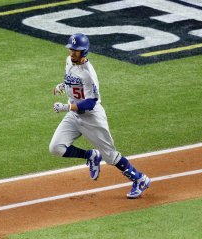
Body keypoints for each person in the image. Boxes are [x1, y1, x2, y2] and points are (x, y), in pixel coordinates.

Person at [49, 33, 151, 199]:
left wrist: (66, 107)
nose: (72, 52)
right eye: (71, 49)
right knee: (56, 148)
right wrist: (62, 86)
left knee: (110, 156)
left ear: (84, 52)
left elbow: (91, 102)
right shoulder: (69, 61)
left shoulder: (89, 74)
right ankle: (91, 155)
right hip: (74, 116)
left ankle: (140, 179)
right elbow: (71, 81)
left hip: (92, 118)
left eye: (76, 50)